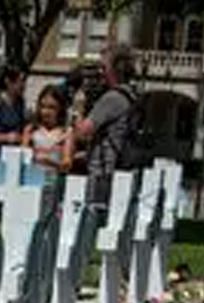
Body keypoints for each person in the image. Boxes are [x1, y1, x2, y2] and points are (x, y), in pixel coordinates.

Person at [76, 44, 142, 202]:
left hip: (102, 174)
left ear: (115, 69)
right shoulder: (131, 96)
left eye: (103, 67)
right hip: (117, 170)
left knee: (93, 219)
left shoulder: (112, 98)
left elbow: (82, 132)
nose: (100, 72)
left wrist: (78, 106)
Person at [22, 85, 75, 177]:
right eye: (42, 106)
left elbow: (67, 164)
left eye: (51, 107)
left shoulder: (67, 132)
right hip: (31, 178)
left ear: (60, 108)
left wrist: (50, 162)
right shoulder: (30, 129)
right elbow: (22, 157)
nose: (46, 112)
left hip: (54, 179)